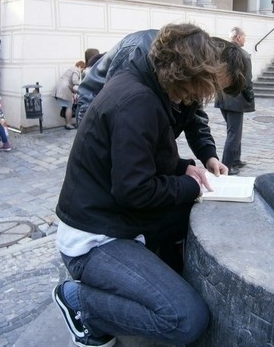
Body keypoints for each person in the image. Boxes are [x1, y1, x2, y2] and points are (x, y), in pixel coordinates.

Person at [52, 24, 232, 347]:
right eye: (194, 90)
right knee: (187, 319)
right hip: (93, 241)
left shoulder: (144, 84)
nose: (193, 99)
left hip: (111, 219)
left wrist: (185, 169)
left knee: (186, 216)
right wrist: (190, 187)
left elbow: (142, 160)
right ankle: (82, 303)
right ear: (182, 76)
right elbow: (134, 189)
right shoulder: (137, 102)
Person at [75, 29, 248, 177]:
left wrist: (209, 156)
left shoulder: (196, 75)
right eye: (213, 84)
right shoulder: (140, 54)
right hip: (97, 124)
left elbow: (193, 117)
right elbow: (116, 116)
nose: (208, 92)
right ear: (208, 62)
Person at [214, 26, 255, 175]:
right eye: (244, 36)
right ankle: (227, 165)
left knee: (233, 131)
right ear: (238, 37)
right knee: (234, 134)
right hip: (236, 100)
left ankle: (236, 159)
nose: (245, 39)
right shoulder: (243, 54)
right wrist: (250, 97)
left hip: (222, 98)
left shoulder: (223, 52)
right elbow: (247, 81)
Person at [53, 60, 85, 129]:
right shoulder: (76, 70)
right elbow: (74, 81)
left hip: (59, 89)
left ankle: (67, 124)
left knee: (65, 106)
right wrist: (82, 84)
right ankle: (68, 124)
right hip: (64, 89)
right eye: (82, 69)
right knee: (69, 106)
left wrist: (73, 92)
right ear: (80, 66)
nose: (82, 71)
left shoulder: (70, 69)